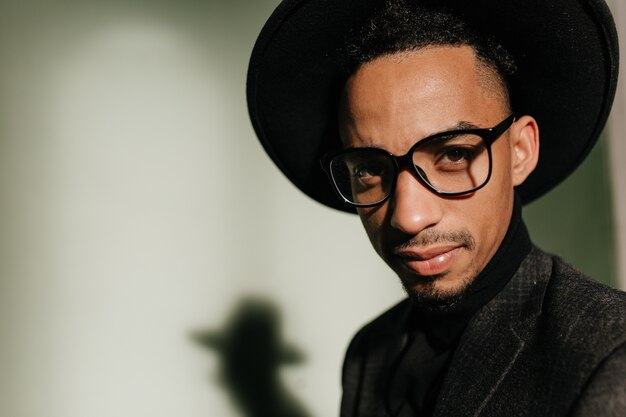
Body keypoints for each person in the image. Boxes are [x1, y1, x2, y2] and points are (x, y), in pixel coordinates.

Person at [247, 0, 626, 415]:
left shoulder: (607, 352)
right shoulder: (369, 354)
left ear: (520, 151)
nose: (408, 217)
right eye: (371, 168)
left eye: (453, 155)